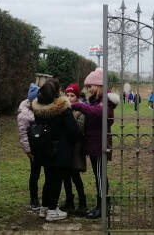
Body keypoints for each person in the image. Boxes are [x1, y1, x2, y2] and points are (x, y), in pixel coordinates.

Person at [71, 68, 120, 219]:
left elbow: (96, 113)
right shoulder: (97, 101)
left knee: (100, 176)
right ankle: (102, 205)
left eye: (90, 86)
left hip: (100, 146)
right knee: (99, 176)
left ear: (98, 85)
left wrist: (77, 105)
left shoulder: (106, 102)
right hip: (94, 145)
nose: (88, 89)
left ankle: (102, 207)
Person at [32, 79, 79, 221]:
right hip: (59, 149)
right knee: (56, 180)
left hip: (43, 148)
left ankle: (44, 208)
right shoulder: (62, 107)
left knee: (48, 178)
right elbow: (73, 130)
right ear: (57, 91)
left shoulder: (38, 107)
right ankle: (52, 211)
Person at [63, 83, 88, 216]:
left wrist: (68, 116)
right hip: (65, 148)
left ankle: (82, 202)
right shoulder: (63, 108)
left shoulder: (81, 111)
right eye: (67, 95)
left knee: (75, 176)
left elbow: (79, 130)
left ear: (77, 97)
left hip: (76, 148)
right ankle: (69, 201)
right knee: (65, 176)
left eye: (72, 95)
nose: (69, 97)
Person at [17, 83, 41, 210]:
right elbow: (23, 135)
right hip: (33, 150)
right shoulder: (24, 115)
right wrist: (28, 151)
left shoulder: (37, 108)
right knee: (35, 174)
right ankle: (34, 198)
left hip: (42, 146)